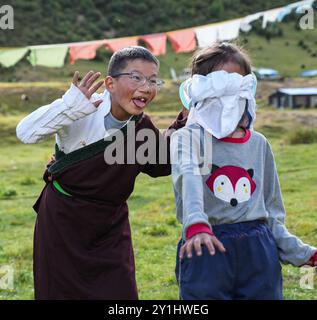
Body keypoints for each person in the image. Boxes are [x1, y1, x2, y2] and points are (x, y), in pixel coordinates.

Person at [16, 46, 187, 300]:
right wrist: (69, 106)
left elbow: (162, 161)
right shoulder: (80, 109)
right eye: (136, 77)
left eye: (153, 81)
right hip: (63, 222)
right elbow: (25, 132)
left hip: (110, 228)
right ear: (110, 83)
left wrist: (185, 122)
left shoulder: (141, 126)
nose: (147, 87)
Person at [171, 42, 317, 300]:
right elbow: (188, 176)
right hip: (205, 245)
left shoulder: (259, 144)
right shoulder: (188, 138)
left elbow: (271, 213)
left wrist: (300, 252)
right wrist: (196, 225)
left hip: (258, 252)